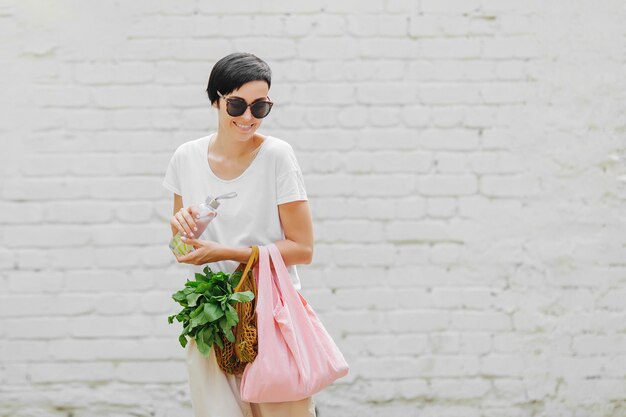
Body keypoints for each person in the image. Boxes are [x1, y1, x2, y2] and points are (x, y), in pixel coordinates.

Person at [162, 52, 316, 417]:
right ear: (215, 100)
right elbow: (182, 250)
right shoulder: (186, 157)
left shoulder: (277, 155)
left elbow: (303, 248)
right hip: (209, 318)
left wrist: (226, 252)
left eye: (260, 107)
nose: (248, 117)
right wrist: (181, 232)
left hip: (271, 314)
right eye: (236, 104)